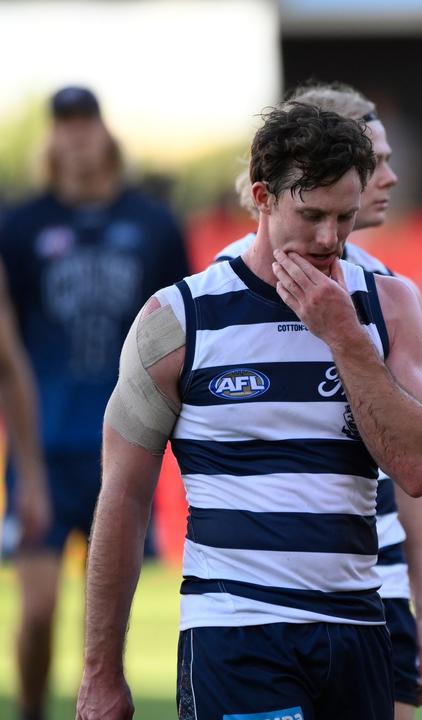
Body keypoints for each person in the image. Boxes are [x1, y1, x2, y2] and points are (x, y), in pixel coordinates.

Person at [74, 105, 422, 720]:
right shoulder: (177, 320)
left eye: (344, 218)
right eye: (311, 215)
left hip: (356, 627)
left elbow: (418, 467)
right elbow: (123, 498)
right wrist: (100, 672)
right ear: (262, 197)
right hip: (235, 630)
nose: (329, 239)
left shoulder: (388, 305)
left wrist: (346, 340)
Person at [214, 81, 422, 716]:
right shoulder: (224, 291)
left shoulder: (390, 295)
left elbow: (416, 472)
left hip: (376, 581)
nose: (389, 178)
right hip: (261, 599)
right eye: (375, 159)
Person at [0, 86, 189, 720]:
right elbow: (9, 349)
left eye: (85, 124)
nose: (75, 137)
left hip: (125, 443)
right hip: (47, 447)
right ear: (50, 138)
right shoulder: (20, 226)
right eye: (64, 125)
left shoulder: (154, 224)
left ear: (105, 133)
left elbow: (185, 330)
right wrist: (21, 460)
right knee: (38, 608)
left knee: (106, 617)